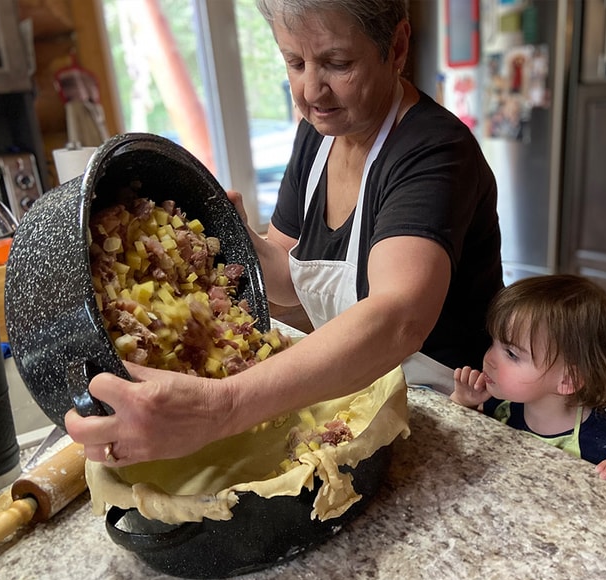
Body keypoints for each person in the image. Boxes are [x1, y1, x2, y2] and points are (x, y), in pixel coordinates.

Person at [65, 0, 503, 467]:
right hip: (350, 395)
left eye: (338, 63)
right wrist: (232, 244)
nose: (311, 90)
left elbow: (398, 320)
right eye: (294, 62)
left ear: (396, 48)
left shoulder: (435, 153)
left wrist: (222, 406)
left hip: (450, 411)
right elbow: (290, 279)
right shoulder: (319, 134)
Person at [449, 275, 606, 489]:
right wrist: (464, 403)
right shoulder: (500, 406)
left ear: (568, 380)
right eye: (493, 342)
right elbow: (457, 443)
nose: (489, 357)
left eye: (511, 353)